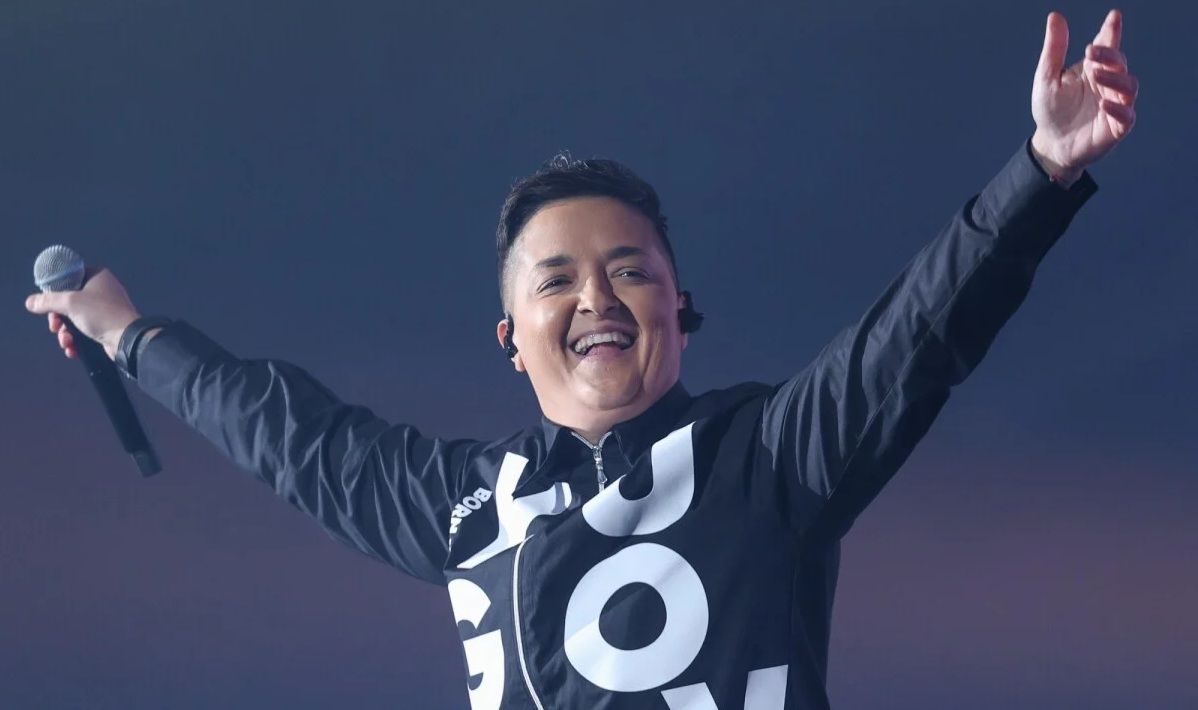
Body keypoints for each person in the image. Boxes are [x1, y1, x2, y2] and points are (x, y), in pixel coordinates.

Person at [25, 10, 1138, 709]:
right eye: (554, 280)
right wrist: (128, 333)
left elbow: (917, 336)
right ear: (510, 340)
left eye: (629, 270)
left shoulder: (766, 459)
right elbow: (286, 431)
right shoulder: (464, 506)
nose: (596, 298)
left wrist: (1041, 170)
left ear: (679, 308)